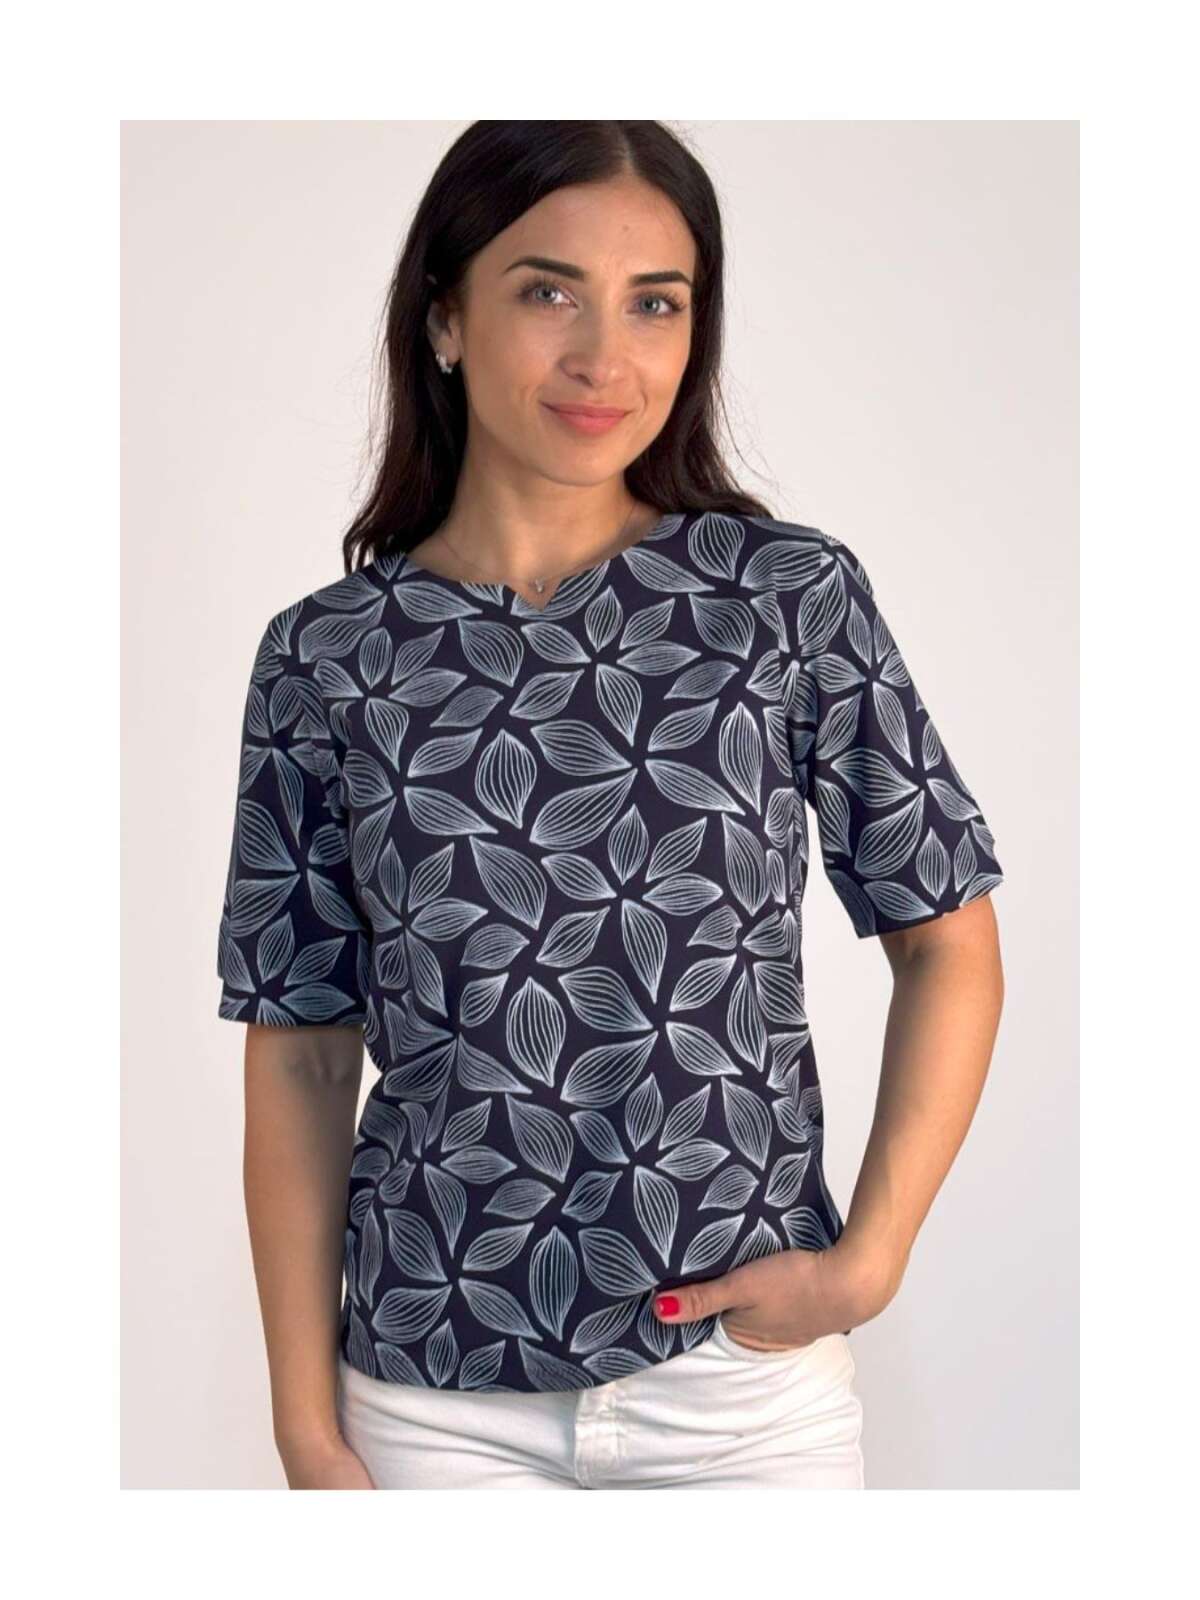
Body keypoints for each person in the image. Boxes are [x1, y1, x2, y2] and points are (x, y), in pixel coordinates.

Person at [216, 121, 1006, 1491]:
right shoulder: (330, 658)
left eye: (656, 303)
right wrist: (304, 1424)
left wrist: (867, 1261)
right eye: (547, 291)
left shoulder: (783, 601)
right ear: (445, 318)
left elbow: (949, 941)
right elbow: (301, 1051)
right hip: (432, 1399)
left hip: (741, 1397)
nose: (605, 357)